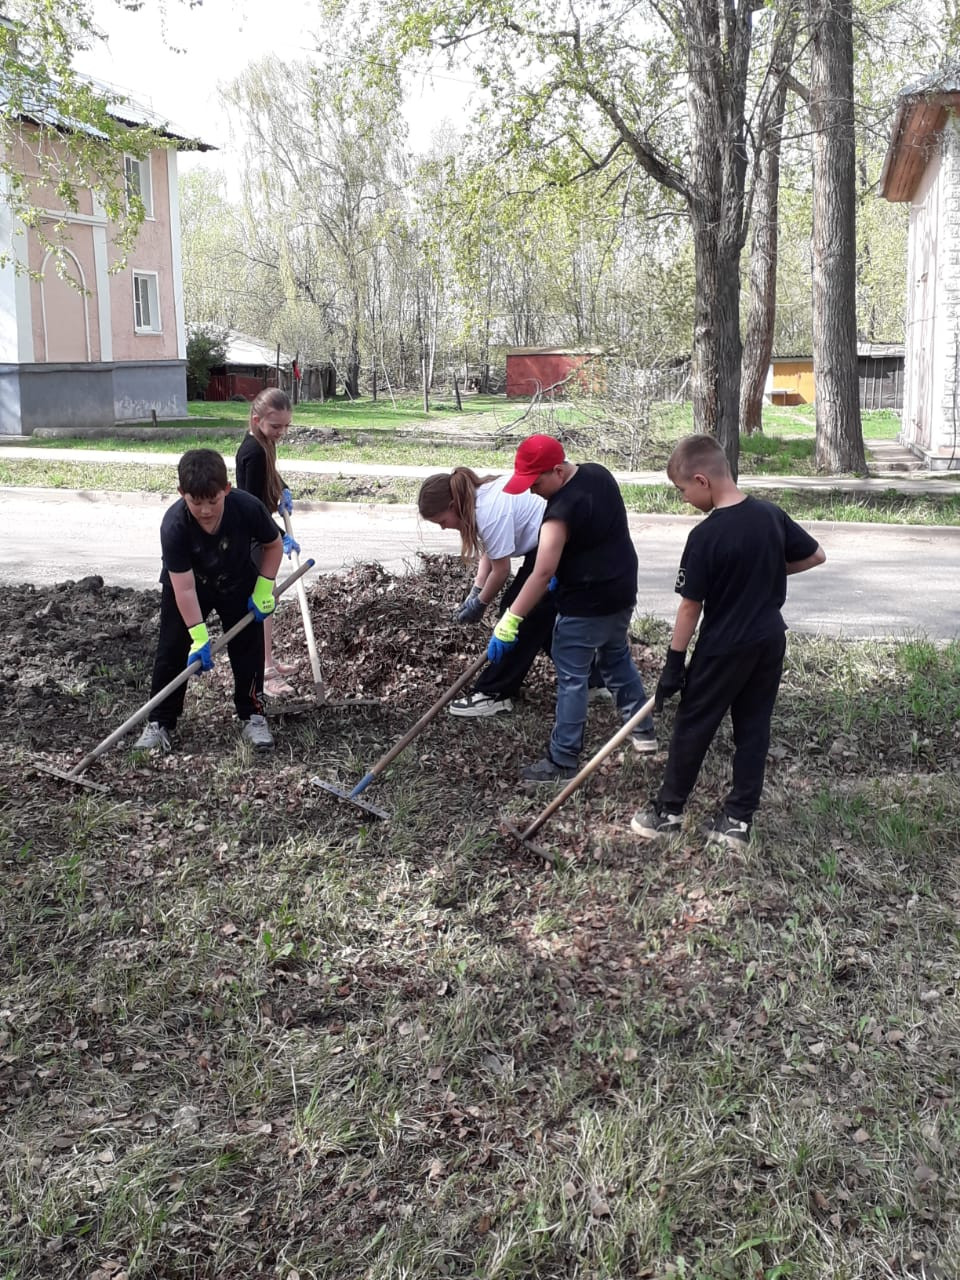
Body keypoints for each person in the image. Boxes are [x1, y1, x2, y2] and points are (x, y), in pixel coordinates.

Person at [630, 433, 826, 849]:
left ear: (702, 480)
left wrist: (673, 663)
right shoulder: (770, 515)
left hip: (724, 647)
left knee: (692, 724)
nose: (684, 498)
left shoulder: (706, 536)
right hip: (769, 640)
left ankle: (667, 813)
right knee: (753, 729)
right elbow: (814, 555)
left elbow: (690, 608)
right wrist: (767, 574)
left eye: (682, 490)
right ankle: (738, 822)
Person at [486, 434, 656, 783]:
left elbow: (542, 570)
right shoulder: (599, 474)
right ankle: (643, 731)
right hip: (621, 592)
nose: (532, 492)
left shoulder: (559, 511)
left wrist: (510, 619)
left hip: (585, 604)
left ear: (559, 470)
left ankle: (562, 760)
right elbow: (593, 533)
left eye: (536, 483)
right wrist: (565, 571)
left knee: (572, 678)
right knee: (615, 658)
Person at [134, 448, 284, 754]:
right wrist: (199, 636)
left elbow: (273, 545)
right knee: (172, 649)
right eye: (195, 502)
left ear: (226, 490)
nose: (205, 510)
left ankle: (253, 714)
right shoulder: (174, 525)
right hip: (191, 586)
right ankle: (160, 721)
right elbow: (184, 588)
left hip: (239, 581)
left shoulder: (246, 507)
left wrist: (263, 590)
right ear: (181, 494)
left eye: (212, 501)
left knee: (248, 647)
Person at [418, 467, 555, 716]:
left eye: (442, 521)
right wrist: (476, 591)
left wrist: (480, 604)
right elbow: (490, 553)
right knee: (540, 616)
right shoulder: (476, 497)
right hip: (548, 541)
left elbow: (501, 571)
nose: (442, 528)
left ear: (453, 505)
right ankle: (591, 678)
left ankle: (494, 693)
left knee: (516, 613)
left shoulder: (487, 512)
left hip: (557, 541)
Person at [235, 387, 299, 699]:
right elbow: (251, 507)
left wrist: (283, 487)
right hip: (253, 541)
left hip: (262, 536)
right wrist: (279, 535)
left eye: (287, 426)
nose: (282, 432)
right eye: (276, 426)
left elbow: (269, 476)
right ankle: (263, 671)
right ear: (257, 419)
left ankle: (268, 662)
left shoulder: (264, 443)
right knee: (263, 603)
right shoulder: (252, 452)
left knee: (268, 601)